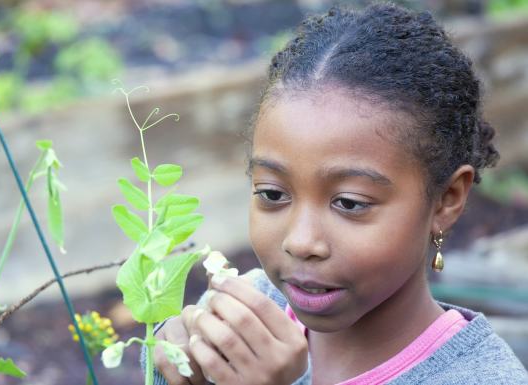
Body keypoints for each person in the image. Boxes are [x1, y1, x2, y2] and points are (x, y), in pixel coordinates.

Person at [149, 2, 528, 385]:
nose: (301, 242)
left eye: (349, 203)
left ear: (446, 200)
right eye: (273, 194)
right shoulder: (247, 317)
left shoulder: (483, 377)